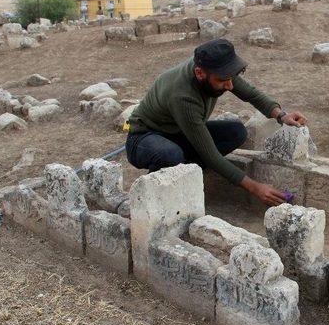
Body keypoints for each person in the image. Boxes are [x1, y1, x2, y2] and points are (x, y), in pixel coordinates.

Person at [126, 39, 308, 206]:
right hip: (144, 138)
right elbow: (210, 155)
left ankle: (186, 175)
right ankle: (149, 197)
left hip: (179, 133)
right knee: (171, 155)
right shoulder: (183, 96)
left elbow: (251, 93)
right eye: (223, 81)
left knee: (236, 132)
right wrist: (255, 187)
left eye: (231, 79)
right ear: (199, 73)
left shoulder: (217, 69)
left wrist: (281, 115)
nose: (229, 86)